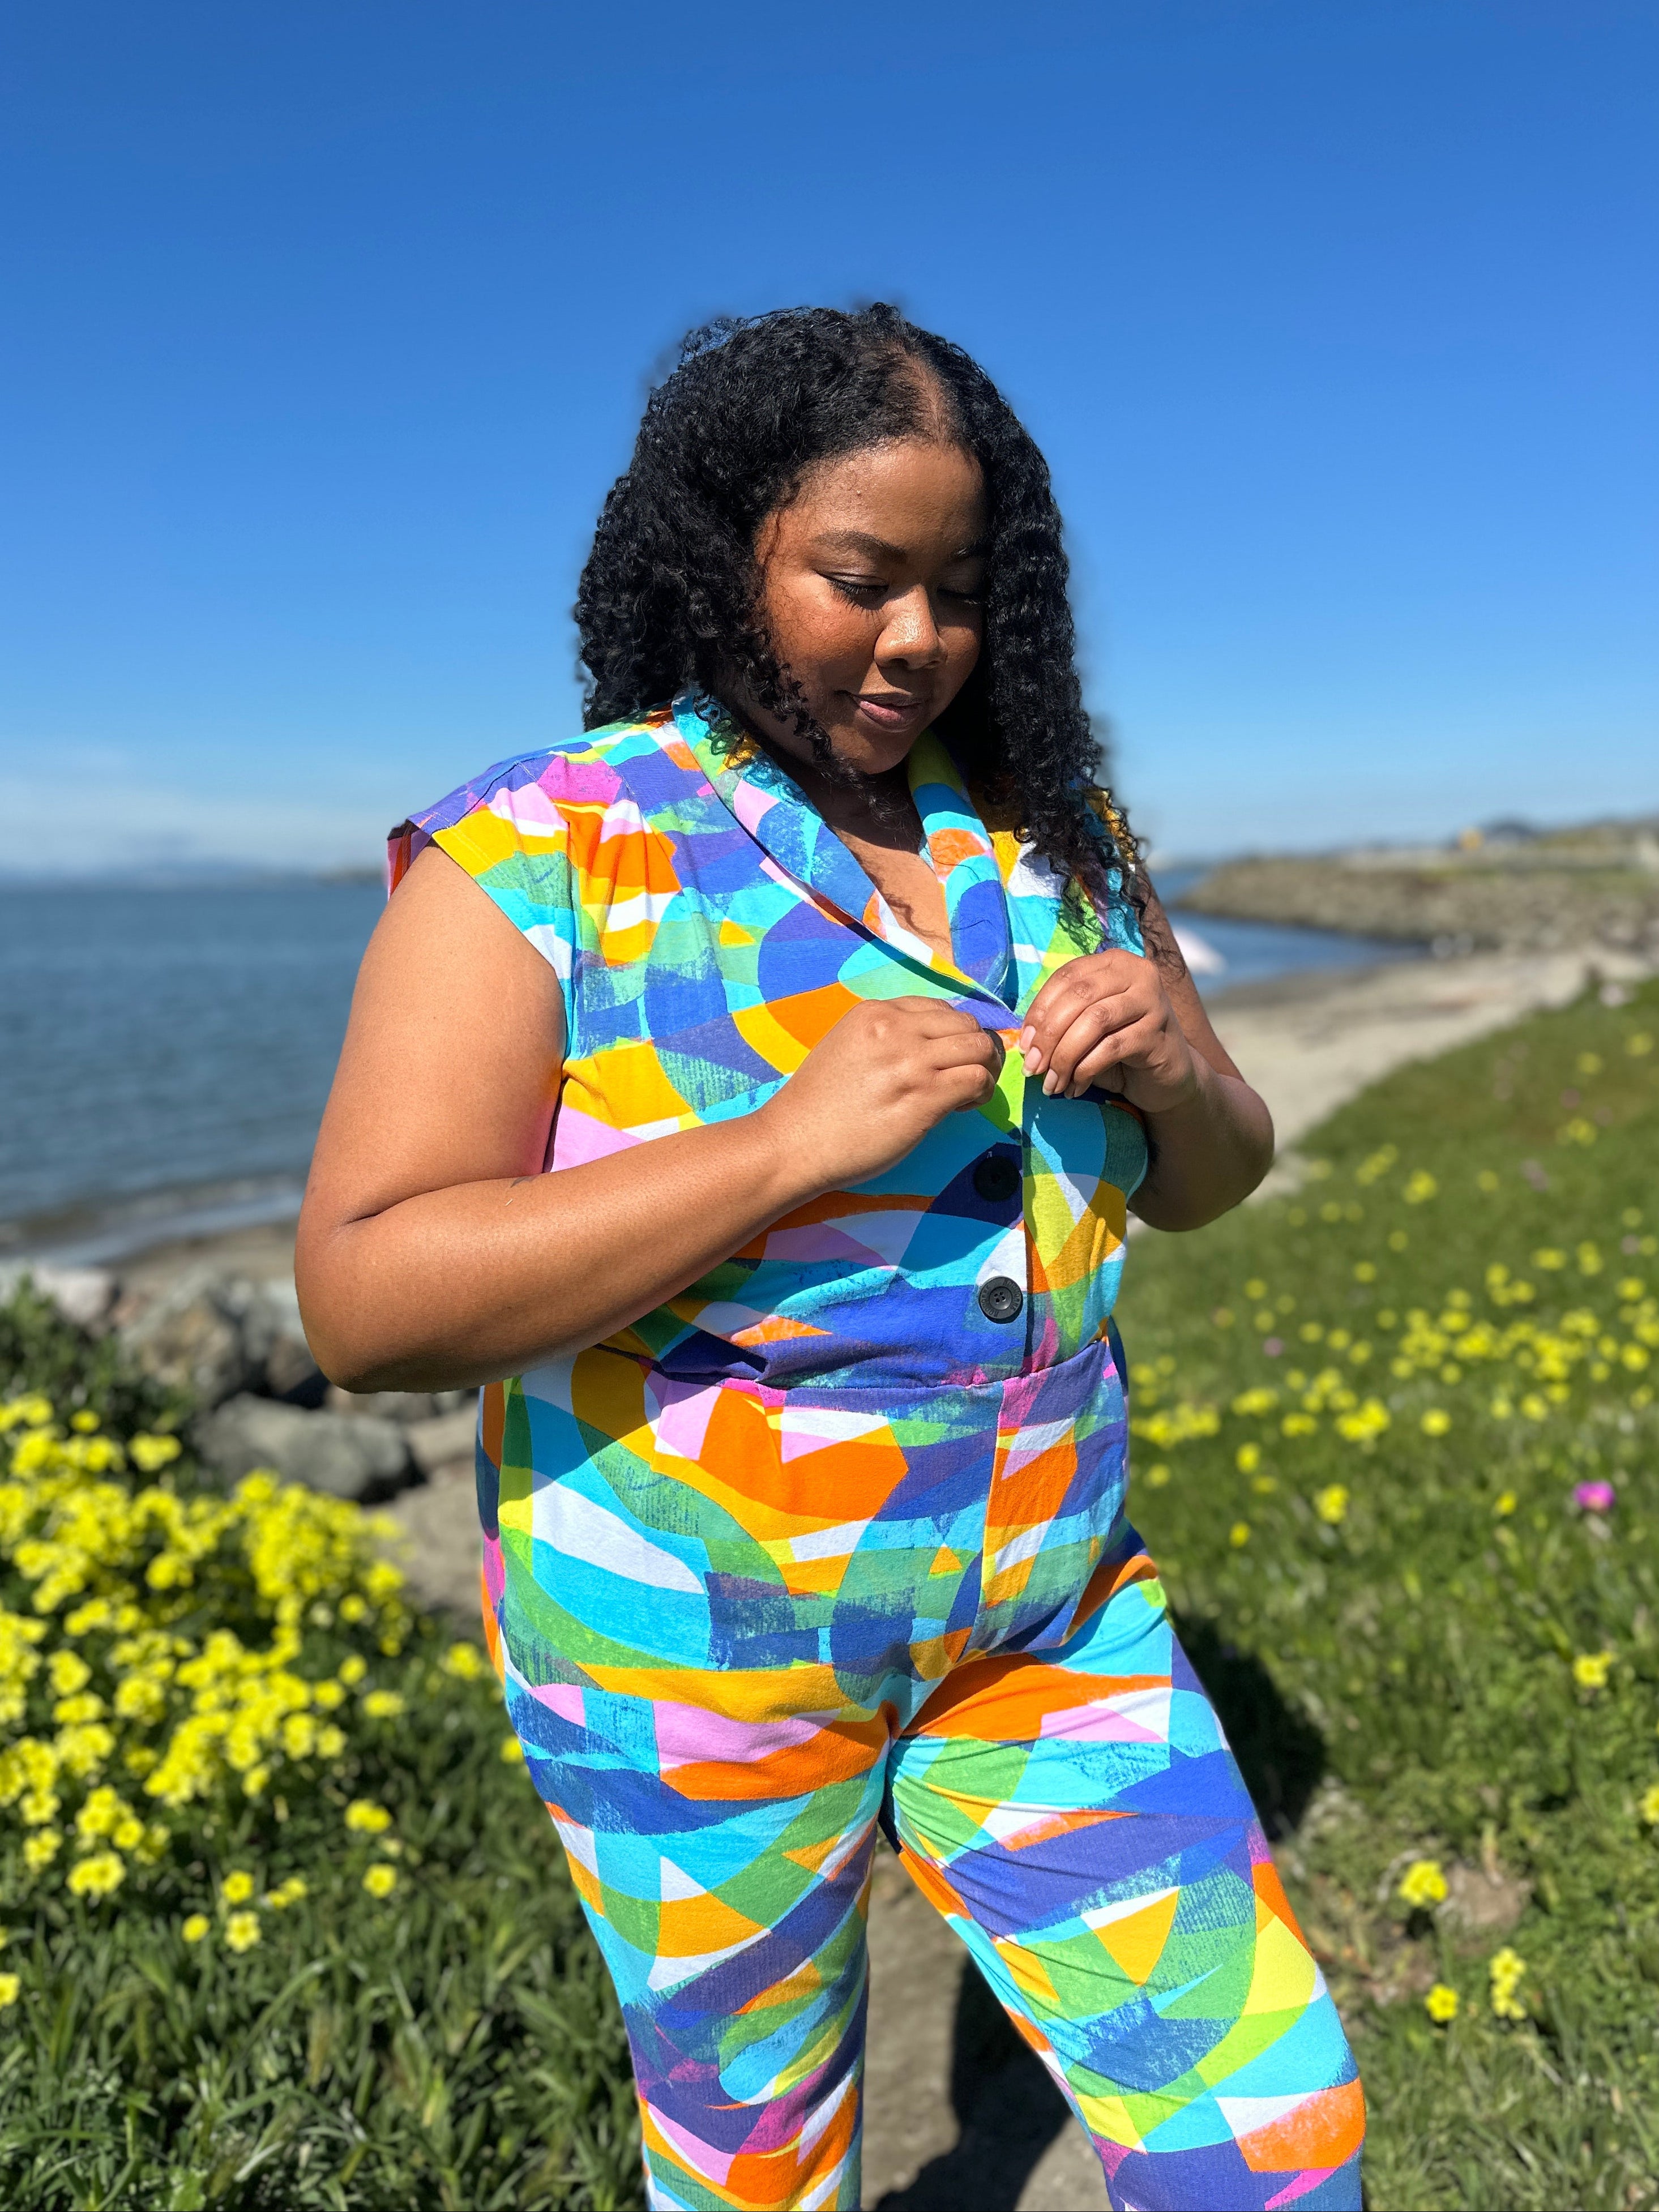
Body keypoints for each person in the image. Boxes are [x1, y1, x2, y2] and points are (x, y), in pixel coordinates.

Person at [297, 305, 1364, 2212]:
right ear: (721, 557)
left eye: (959, 589)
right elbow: (366, 1297)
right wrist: (784, 1146)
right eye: (861, 579)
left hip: (1045, 1620)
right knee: (759, 2172)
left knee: (1269, 2137)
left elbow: (1211, 1174)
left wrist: (1177, 1074)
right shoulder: (538, 849)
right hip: (688, 1655)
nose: (916, 638)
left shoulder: (1056, 838)